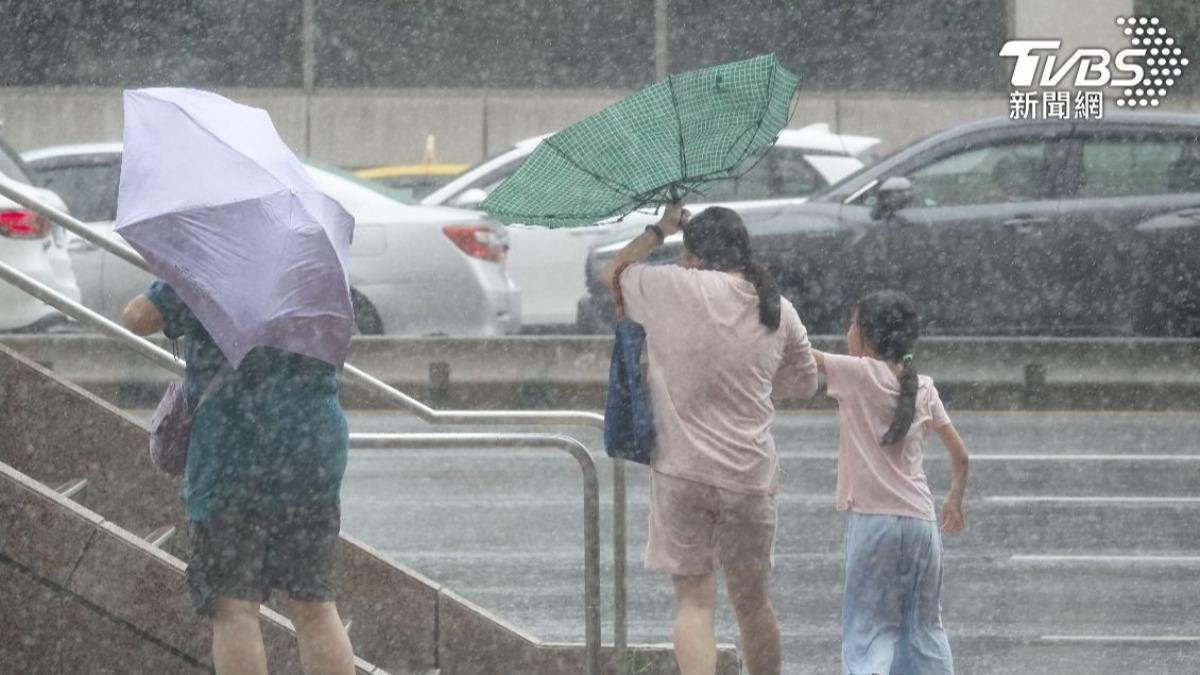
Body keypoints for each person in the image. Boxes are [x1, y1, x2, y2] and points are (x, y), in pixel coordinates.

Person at [602, 204, 818, 675]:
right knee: (754, 604)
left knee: (694, 603)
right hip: (749, 477)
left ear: (694, 254)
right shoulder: (778, 308)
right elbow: (805, 381)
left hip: (681, 474)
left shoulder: (670, 288)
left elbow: (614, 273)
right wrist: (755, 386)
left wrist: (661, 227)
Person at [123, 282, 355, 675]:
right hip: (311, 450)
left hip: (234, 452)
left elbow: (136, 317)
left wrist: (177, 273)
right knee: (314, 603)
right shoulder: (314, 266)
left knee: (234, 607)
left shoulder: (216, 263)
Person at [810, 290, 969, 675]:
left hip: (872, 523)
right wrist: (953, 499)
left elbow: (802, 354)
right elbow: (962, 456)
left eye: (852, 324)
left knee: (868, 631)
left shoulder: (857, 373)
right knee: (924, 628)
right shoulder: (923, 386)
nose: (847, 332)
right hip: (920, 523)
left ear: (866, 336)